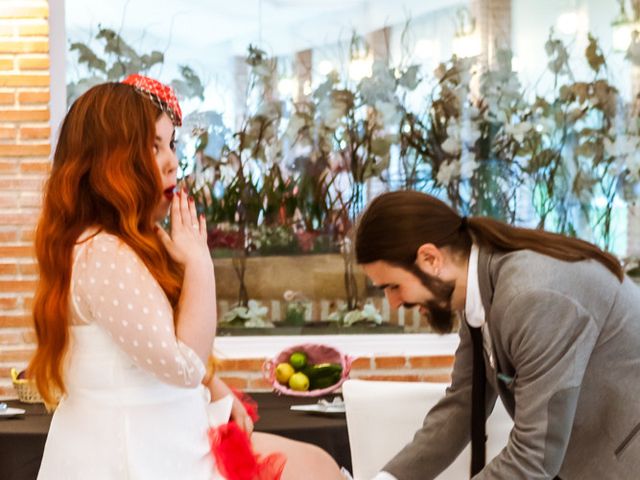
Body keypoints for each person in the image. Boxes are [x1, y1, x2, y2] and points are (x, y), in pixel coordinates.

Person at [29, 75, 343, 480]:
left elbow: (161, 345)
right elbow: (182, 366)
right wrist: (199, 264)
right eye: (152, 147)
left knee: (318, 465)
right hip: (142, 459)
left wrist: (216, 386)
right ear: (111, 160)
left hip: (166, 441)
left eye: (171, 144)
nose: (172, 162)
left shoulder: (117, 244)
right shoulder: (104, 253)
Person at [355, 190, 640, 480]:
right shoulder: (481, 291)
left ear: (430, 258)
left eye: (393, 286)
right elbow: (464, 405)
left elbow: (532, 457)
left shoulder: (531, 296)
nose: (393, 303)